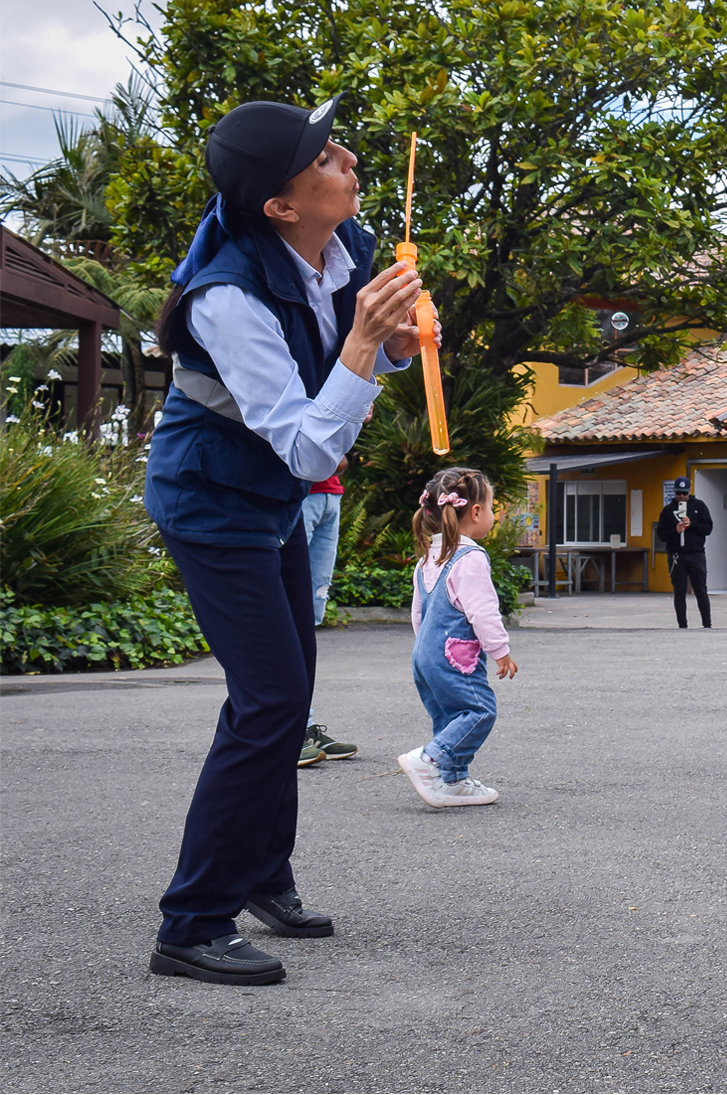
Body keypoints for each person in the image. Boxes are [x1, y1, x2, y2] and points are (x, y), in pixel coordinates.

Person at [143, 96, 426, 986]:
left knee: (287, 692)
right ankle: (192, 920)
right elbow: (308, 444)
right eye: (324, 157)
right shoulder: (227, 296)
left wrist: (399, 344)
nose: (348, 158)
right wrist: (365, 345)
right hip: (210, 499)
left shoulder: (344, 247)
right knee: (270, 701)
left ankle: (263, 875)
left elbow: (358, 363)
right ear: (280, 204)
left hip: (271, 500)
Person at [398, 467, 518, 808]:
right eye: (492, 508)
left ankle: (452, 781)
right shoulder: (471, 557)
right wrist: (500, 651)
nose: (492, 515)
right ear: (476, 512)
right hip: (454, 656)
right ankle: (429, 759)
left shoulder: (428, 557)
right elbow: (483, 611)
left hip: (425, 655)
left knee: (450, 717)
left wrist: (426, 650)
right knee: (479, 710)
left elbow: (419, 613)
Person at [297, 456, 357, 767]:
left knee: (307, 618)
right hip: (297, 493)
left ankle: (302, 726)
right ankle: (285, 732)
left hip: (328, 493)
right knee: (285, 615)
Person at [654, 476, 713, 629]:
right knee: (679, 591)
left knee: (700, 589)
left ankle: (707, 624)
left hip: (696, 554)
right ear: (674, 491)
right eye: (679, 493)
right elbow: (661, 534)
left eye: (685, 493)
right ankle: (682, 624)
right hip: (677, 555)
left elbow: (707, 528)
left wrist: (691, 525)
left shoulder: (699, 506)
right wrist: (675, 530)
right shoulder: (668, 511)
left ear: (690, 491)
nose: (682, 496)